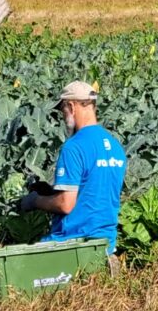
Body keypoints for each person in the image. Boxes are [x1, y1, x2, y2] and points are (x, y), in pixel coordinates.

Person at [19, 81, 127, 257]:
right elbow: (95, 191)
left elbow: (66, 204)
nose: (63, 117)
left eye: (62, 110)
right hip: (106, 244)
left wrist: (35, 201)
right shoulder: (116, 147)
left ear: (71, 106)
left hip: (73, 243)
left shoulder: (74, 147)